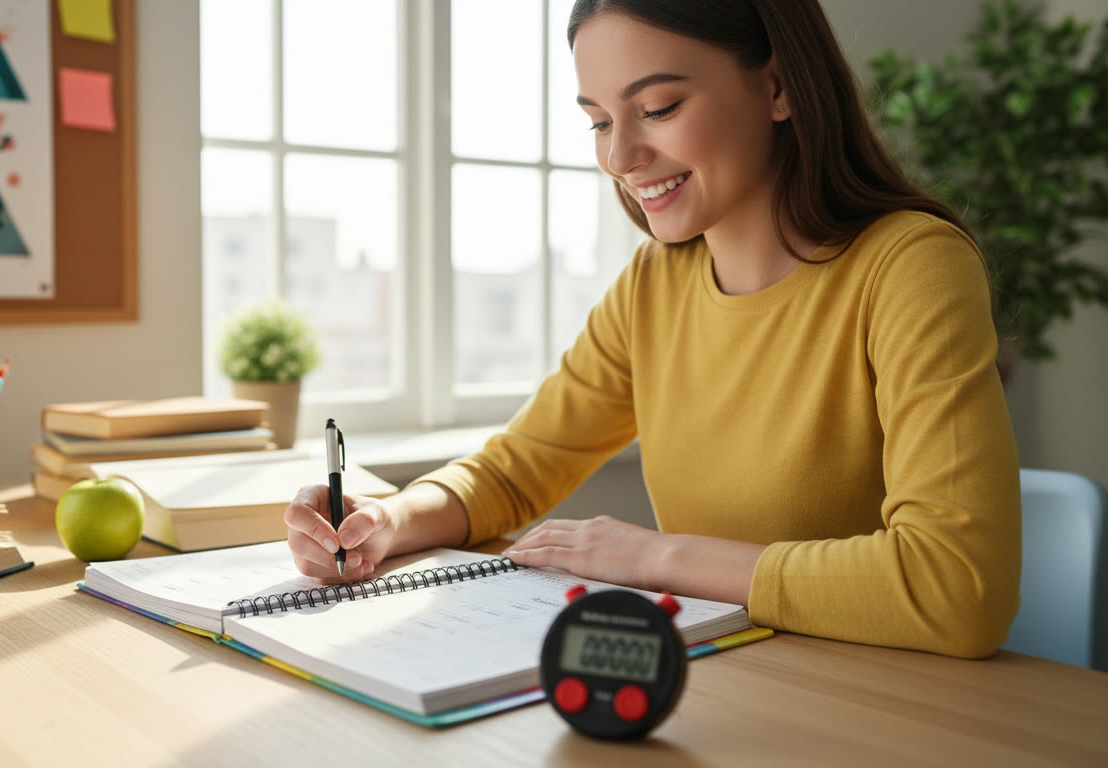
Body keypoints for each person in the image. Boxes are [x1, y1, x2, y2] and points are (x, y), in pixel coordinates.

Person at [284, 0, 1020, 659]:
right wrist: (383, 520)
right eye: (600, 121)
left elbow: (958, 588)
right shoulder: (655, 284)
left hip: (884, 705)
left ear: (778, 86)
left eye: (659, 106)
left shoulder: (911, 266)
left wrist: (656, 557)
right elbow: (514, 471)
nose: (618, 156)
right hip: (728, 682)